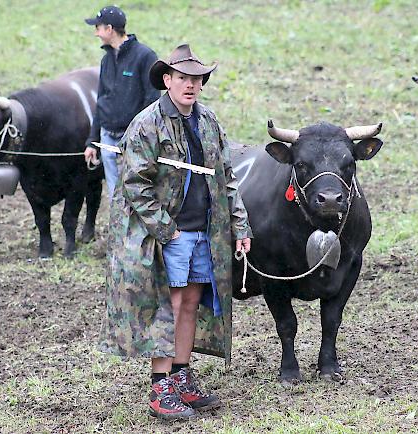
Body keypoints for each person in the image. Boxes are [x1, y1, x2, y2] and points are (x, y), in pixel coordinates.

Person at [99, 44, 253, 420]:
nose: (189, 85)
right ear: (167, 80)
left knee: (190, 300)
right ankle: (160, 386)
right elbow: (135, 183)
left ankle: (182, 376)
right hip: (171, 234)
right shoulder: (147, 123)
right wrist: (166, 229)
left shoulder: (209, 121)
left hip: (205, 232)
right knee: (169, 303)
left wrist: (239, 224)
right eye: (182, 78)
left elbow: (226, 179)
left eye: (196, 79)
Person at [83, 5, 160, 198]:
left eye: (98, 28)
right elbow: (101, 100)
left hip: (134, 142)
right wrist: (92, 141)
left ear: (109, 29)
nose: (96, 33)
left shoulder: (145, 56)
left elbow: (152, 101)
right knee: (114, 195)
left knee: (137, 194)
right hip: (107, 137)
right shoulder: (106, 60)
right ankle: (120, 227)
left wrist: (136, 137)